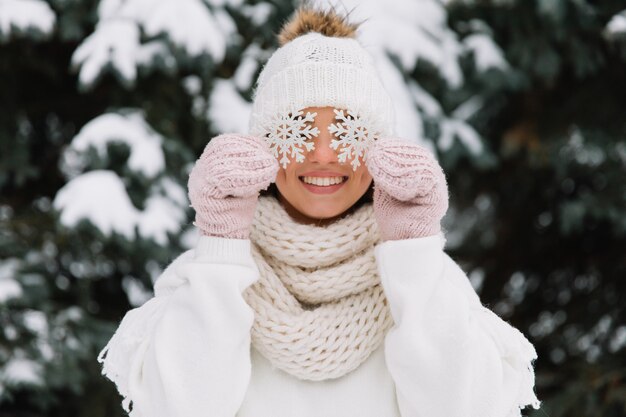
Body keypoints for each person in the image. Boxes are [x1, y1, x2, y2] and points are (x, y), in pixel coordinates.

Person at [97, 5, 541, 417]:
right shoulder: (205, 278)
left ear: (379, 146)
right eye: (300, 128)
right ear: (266, 145)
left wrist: (413, 251)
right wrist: (221, 243)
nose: (324, 154)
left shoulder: (429, 284)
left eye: (347, 129)